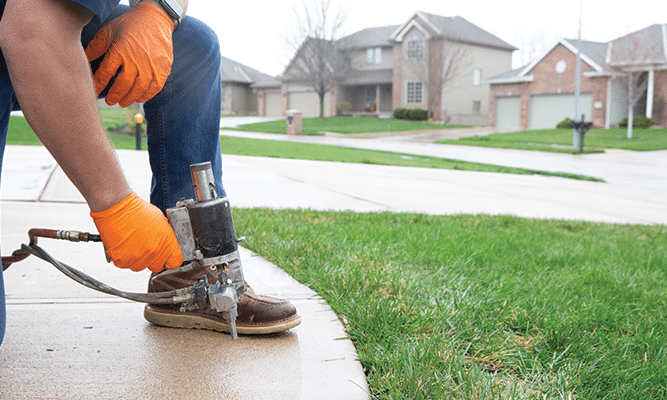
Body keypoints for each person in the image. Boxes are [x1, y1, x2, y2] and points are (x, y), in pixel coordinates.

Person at [0, 0, 300, 346]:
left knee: (191, 43)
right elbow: (32, 29)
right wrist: (115, 205)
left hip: (22, 31)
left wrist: (158, 11)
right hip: (26, 29)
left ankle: (189, 274)